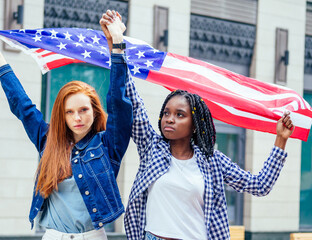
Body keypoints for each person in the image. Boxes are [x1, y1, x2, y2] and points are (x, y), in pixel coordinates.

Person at [101, 12, 295, 240]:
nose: (169, 119)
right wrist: (116, 45)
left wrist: (280, 140)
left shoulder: (211, 160)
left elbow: (259, 185)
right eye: (166, 113)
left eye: (179, 114)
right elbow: (131, 97)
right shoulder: (151, 147)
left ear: (195, 125)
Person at [0, 10, 132, 240]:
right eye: (69, 112)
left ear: (94, 110)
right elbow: (23, 106)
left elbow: (119, 102)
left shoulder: (108, 146)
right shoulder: (48, 140)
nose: (77, 118)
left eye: (83, 110)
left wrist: (117, 43)